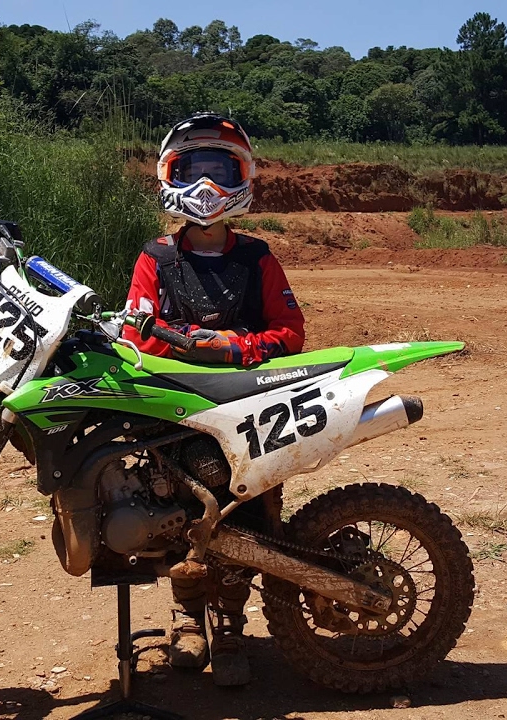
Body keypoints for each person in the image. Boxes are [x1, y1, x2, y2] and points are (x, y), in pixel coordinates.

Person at [122, 113, 305, 686]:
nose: (205, 184)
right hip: (172, 407)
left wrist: (236, 346)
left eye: (219, 169)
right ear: (171, 175)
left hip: (248, 405)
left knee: (245, 512)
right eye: (193, 169)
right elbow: (133, 332)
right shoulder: (156, 257)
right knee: (172, 512)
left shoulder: (257, 258)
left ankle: (228, 625)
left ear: (241, 176)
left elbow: (291, 332)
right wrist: (181, 345)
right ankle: (185, 617)